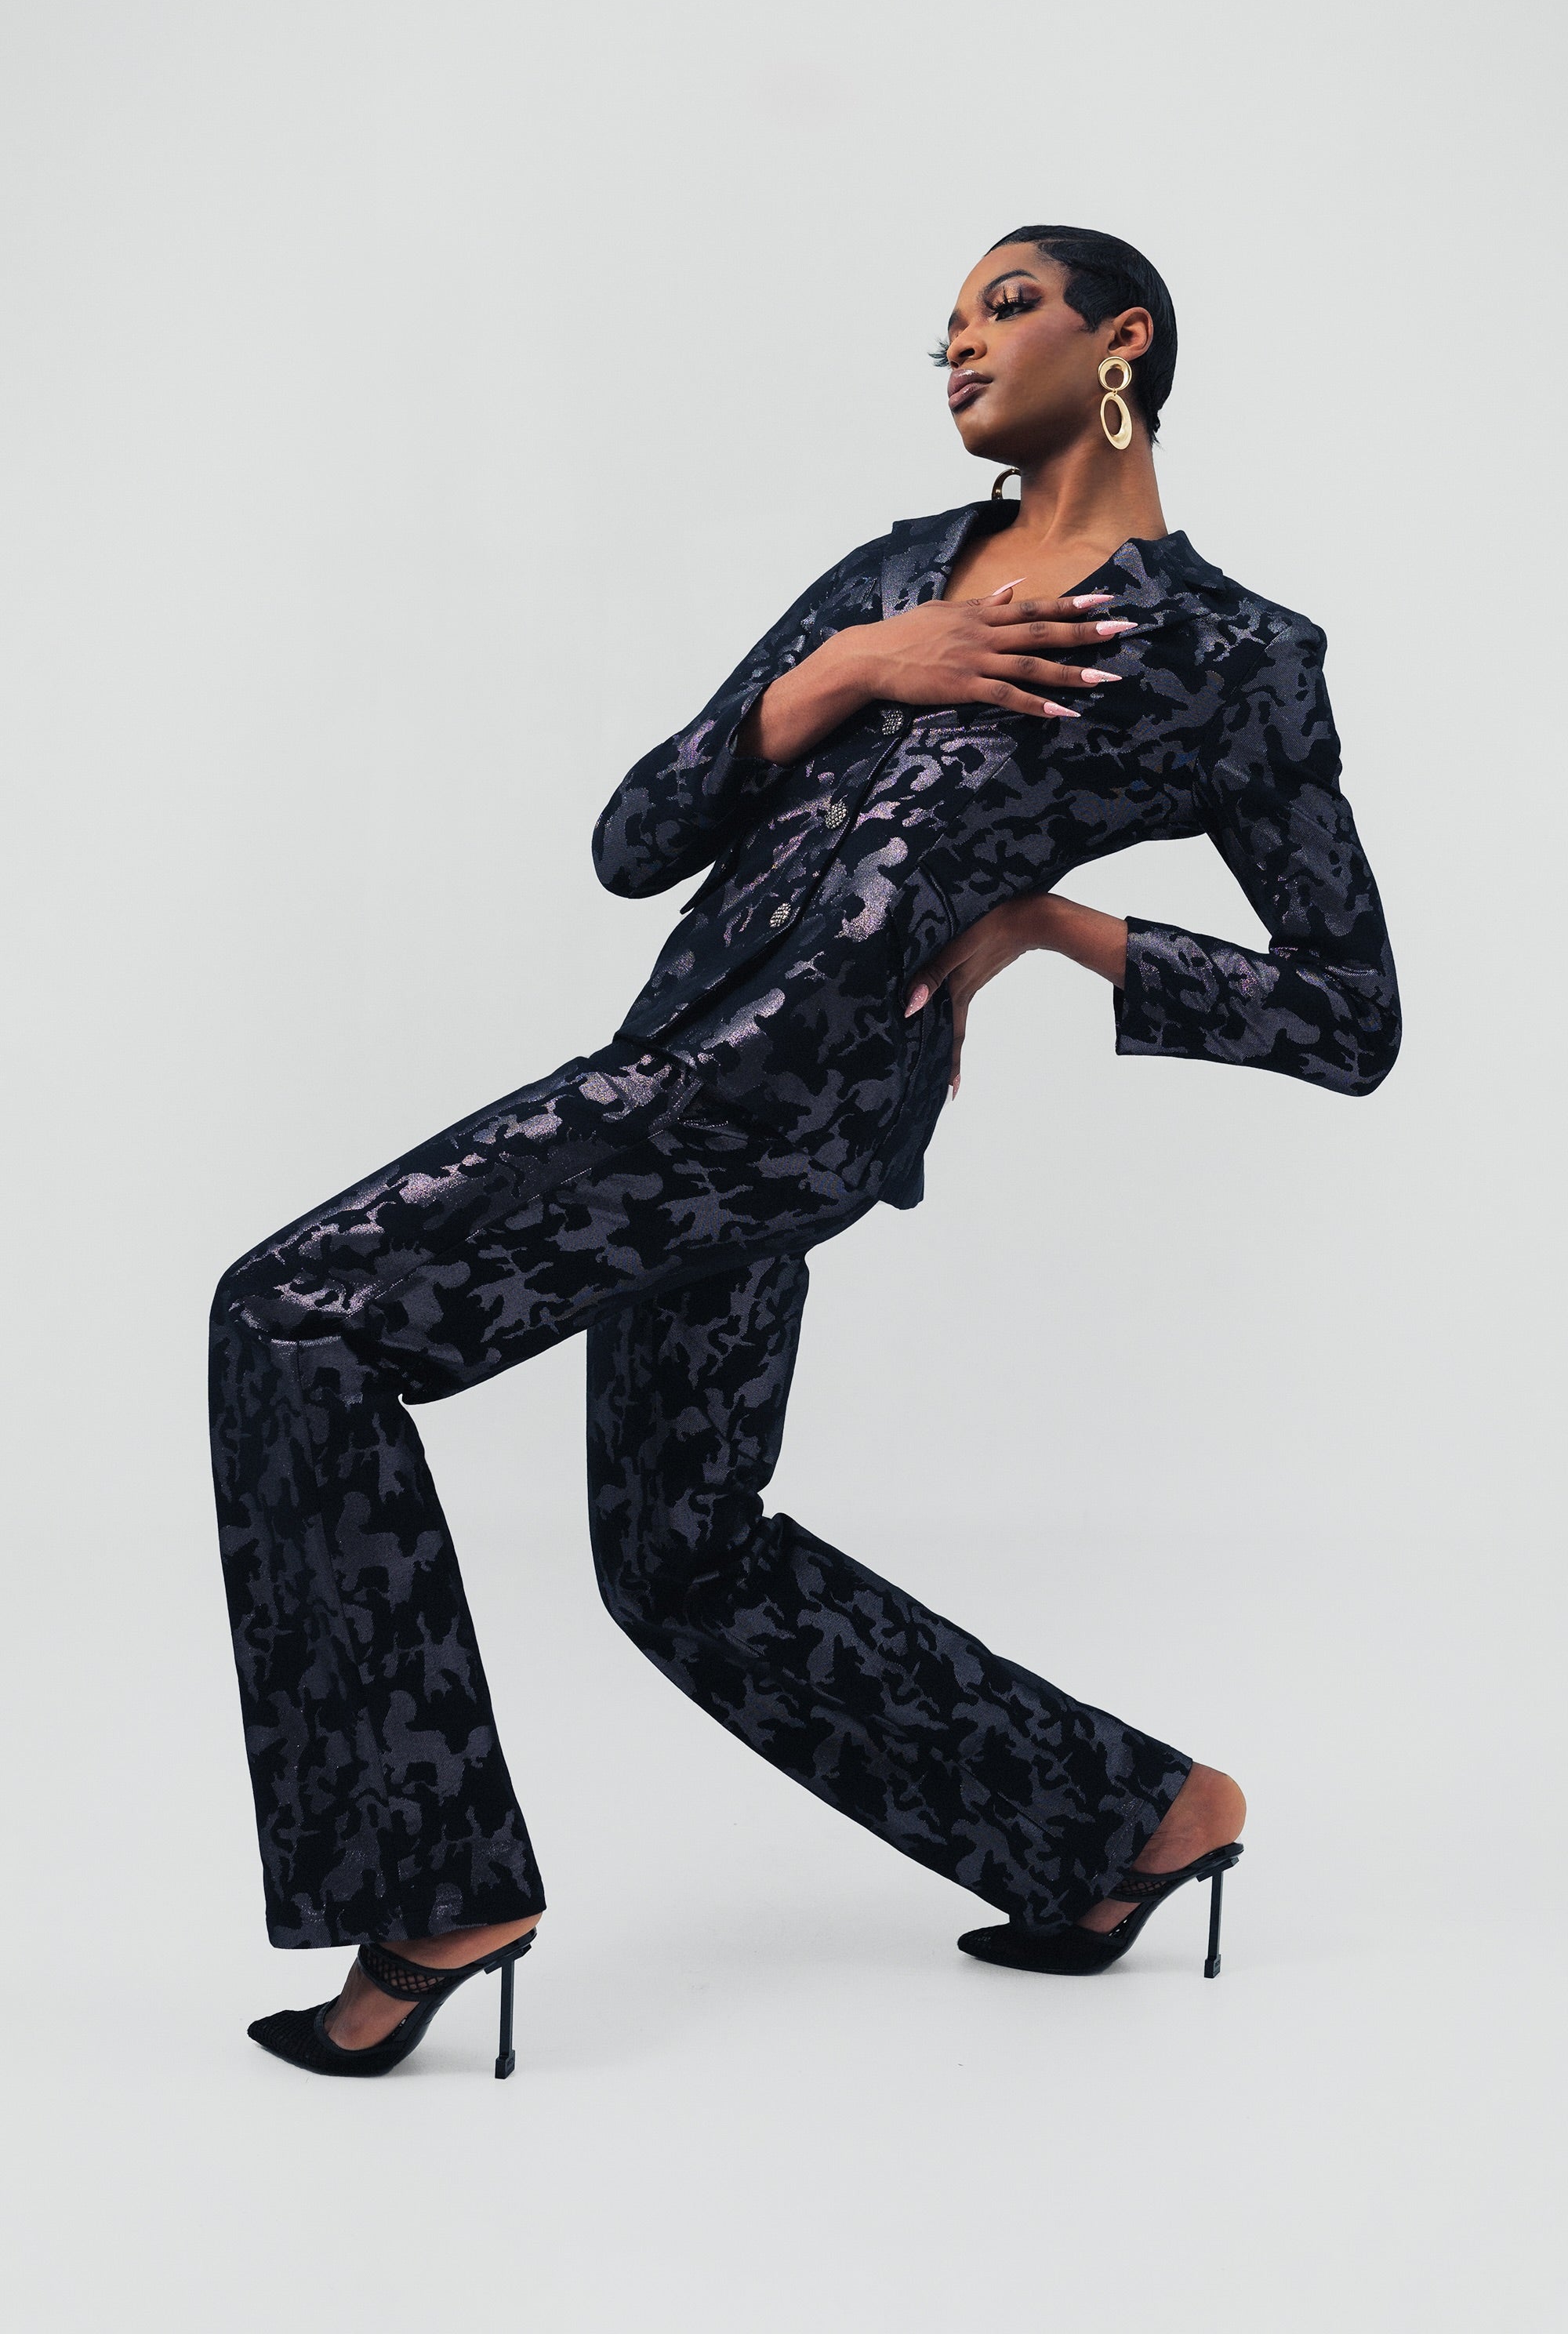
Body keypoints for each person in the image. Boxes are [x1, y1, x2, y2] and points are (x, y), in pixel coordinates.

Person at [216, 224, 1399, 2079]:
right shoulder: (891, 578)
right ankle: (1123, 1826)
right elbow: (635, 835)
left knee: (292, 1317)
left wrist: (1054, 927)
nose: (954, 347)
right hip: (678, 1063)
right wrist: (856, 664)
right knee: (681, 1555)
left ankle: (433, 1882)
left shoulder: (1230, 660)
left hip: (788, 1097)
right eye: (938, 326)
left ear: (1121, 341)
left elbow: (1351, 1014)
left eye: (1003, 306)